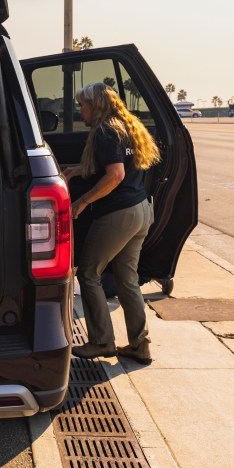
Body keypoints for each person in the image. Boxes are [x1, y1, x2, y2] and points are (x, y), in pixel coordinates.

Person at [67, 82, 160, 363]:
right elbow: (118, 167)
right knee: (126, 279)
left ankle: (102, 341)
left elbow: (116, 174)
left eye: (82, 104)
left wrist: (82, 202)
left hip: (118, 214)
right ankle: (139, 344)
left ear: (95, 106)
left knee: (89, 274)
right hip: (141, 210)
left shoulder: (105, 131)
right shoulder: (126, 126)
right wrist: (76, 171)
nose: (79, 110)